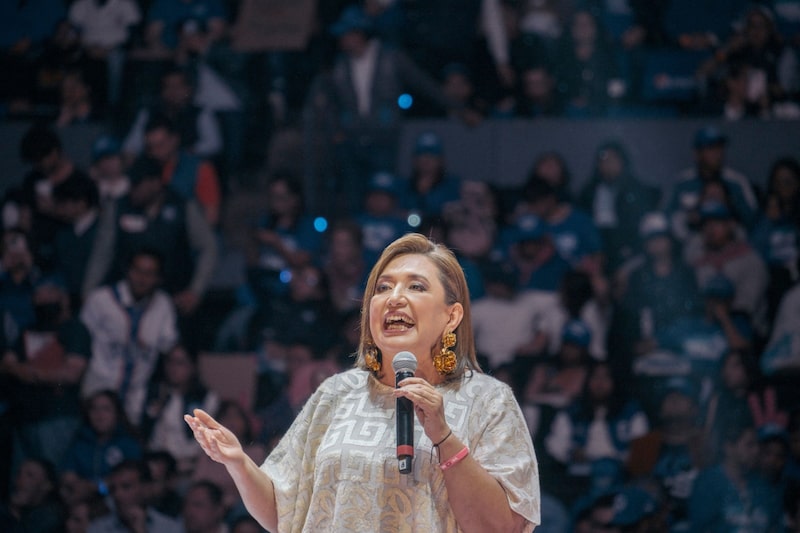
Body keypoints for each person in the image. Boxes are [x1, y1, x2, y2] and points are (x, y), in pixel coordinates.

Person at [185, 233, 541, 531]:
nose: (394, 298)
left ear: (452, 315)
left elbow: (503, 527)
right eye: (382, 288)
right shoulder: (336, 393)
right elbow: (284, 513)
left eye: (416, 286)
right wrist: (238, 463)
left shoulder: (488, 400)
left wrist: (443, 438)